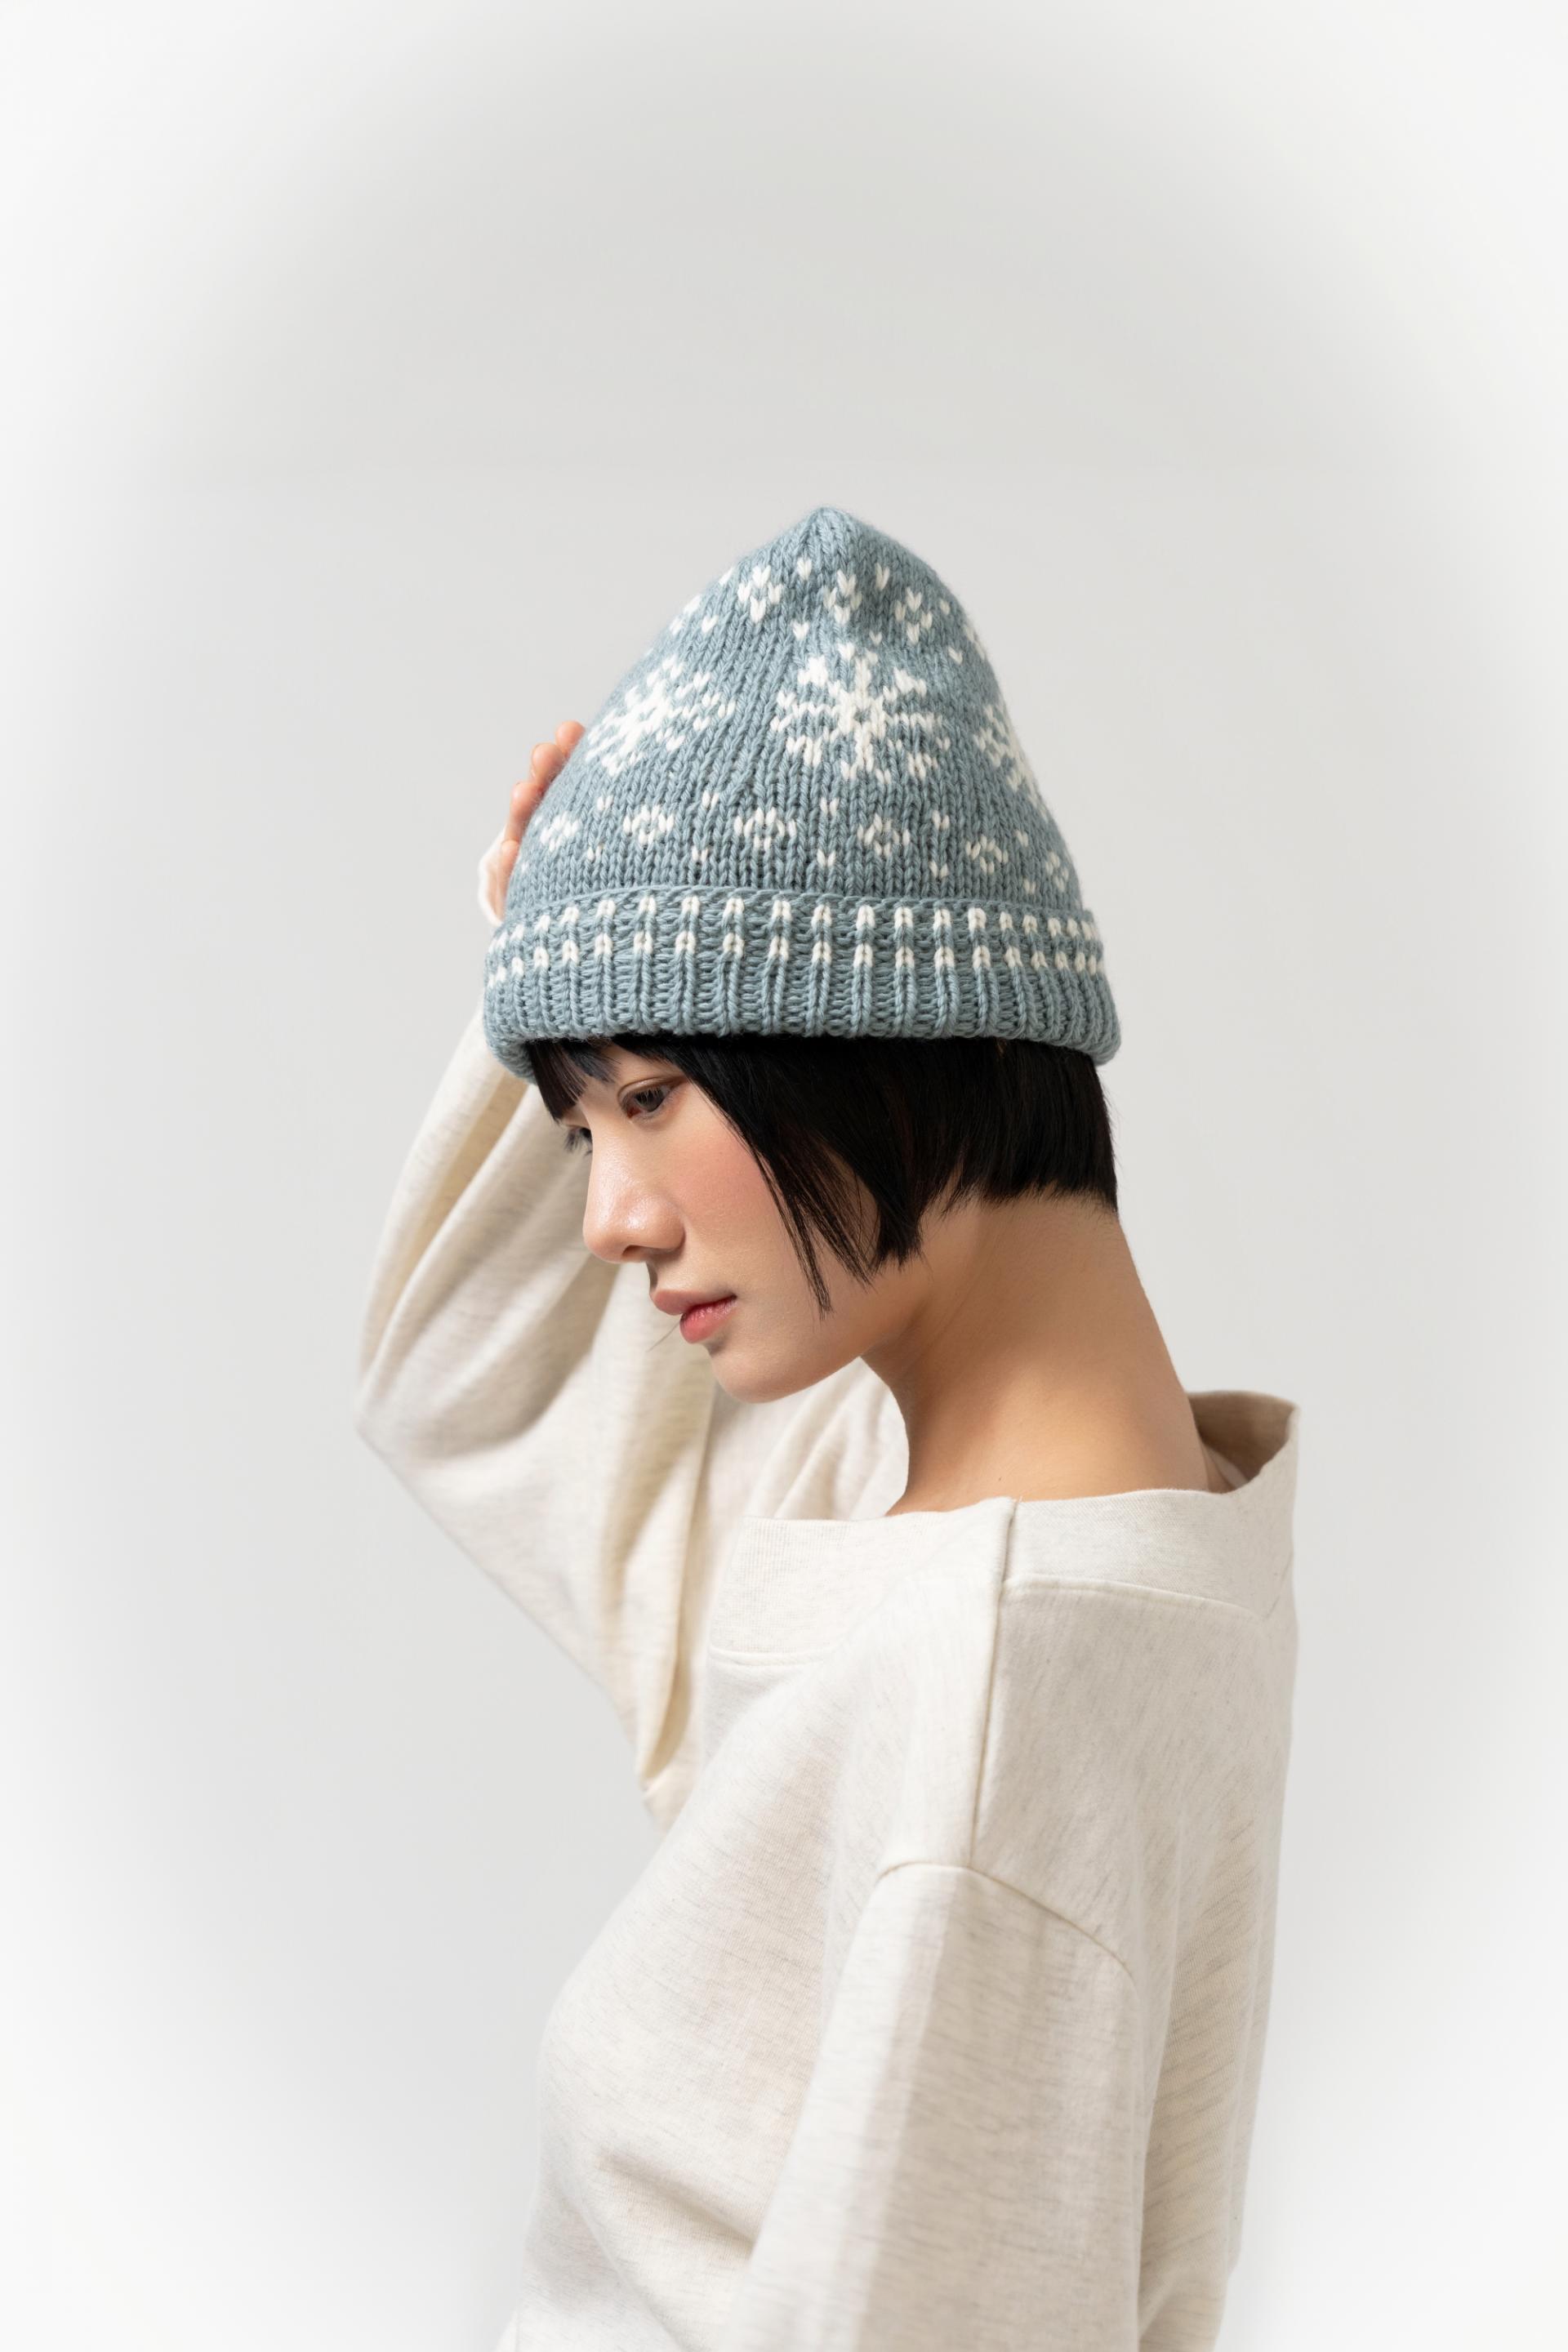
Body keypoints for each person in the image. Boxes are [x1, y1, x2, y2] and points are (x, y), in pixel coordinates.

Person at [354, 505, 1301, 2351]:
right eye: (576, 1130)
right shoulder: (1000, 1513)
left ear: (892, 1029)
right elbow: (450, 1385)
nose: (606, 1220)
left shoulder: (983, 1691)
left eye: (651, 1097)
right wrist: (553, 971)